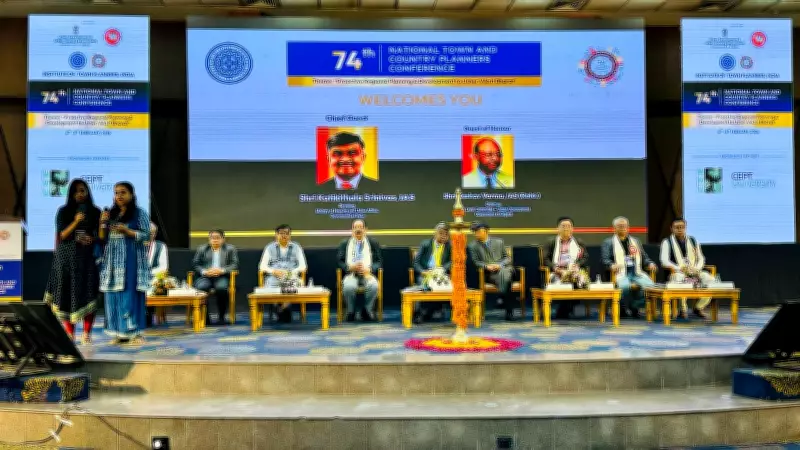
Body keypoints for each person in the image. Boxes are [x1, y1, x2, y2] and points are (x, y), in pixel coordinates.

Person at [43, 179, 101, 344]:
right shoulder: (64, 211)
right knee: (66, 295)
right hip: (66, 260)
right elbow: (62, 235)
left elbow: (100, 235)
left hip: (86, 260)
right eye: (76, 191)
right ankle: (70, 333)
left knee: (88, 294)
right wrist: (76, 221)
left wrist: (92, 238)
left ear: (87, 192)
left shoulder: (95, 211)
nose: (80, 194)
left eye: (83, 190)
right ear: (71, 194)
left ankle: (87, 334)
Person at [99, 182, 151, 344]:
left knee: (129, 295)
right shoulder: (111, 214)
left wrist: (127, 231)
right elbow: (102, 237)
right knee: (113, 296)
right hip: (112, 261)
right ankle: (118, 333)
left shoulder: (139, 213)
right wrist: (102, 222)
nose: (119, 196)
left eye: (123, 192)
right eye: (116, 193)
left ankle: (135, 333)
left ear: (131, 194)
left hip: (131, 260)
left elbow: (146, 235)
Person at [601, 216, 657, 318]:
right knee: (624, 286)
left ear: (628, 227)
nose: (623, 228)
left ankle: (635, 306)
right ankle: (621, 308)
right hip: (619, 272)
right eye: (620, 226)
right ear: (614, 228)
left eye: (625, 226)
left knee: (650, 286)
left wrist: (650, 263)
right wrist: (611, 265)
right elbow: (605, 259)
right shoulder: (608, 242)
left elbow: (644, 257)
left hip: (636, 271)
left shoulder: (636, 241)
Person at [660, 217, 714, 319]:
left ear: (685, 228)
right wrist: (679, 268)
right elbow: (664, 260)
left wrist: (697, 268)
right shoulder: (667, 242)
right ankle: (683, 309)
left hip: (694, 271)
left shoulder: (693, 240)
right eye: (677, 227)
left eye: (682, 227)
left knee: (709, 279)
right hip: (677, 272)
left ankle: (698, 307)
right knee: (681, 278)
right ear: (671, 228)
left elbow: (701, 258)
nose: (680, 229)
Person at [541, 216, 589, 319]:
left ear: (573, 228)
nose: (566, 228)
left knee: (578, 280)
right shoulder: (551, 242)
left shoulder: (579, 242)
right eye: (563, 226)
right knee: (565, 281)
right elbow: (545, 259)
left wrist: (577, 265)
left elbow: (585, 257)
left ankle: (565, 309)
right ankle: (565, 309)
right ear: (557, 228)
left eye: (569, 226)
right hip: (556, 271)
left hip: (573, 270)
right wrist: (556, 269)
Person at [468, 221, 517, 321]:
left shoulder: (499, 242)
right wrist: (487, 266)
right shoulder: (473, 246)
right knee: (507, 278)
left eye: (478, 231)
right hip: (490, 274)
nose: (476, 234)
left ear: (486, 231)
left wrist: (499, 265)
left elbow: (507, 258)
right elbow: (475, 262)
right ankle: (508, 309)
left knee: (506, 272)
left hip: (502, 268)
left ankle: (502, 297)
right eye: (475, 232)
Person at [259, 224, 307, 323]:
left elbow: (303, 266)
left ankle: (282, 309)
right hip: (274, 277)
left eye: (286, 233)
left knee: (294, 285)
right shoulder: (269, 247)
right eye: (281, 233)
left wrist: (290, 272)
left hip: (291, 276)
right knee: (270, 286)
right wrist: (273, 271)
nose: (284, 236)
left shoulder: (296, 247)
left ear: (290, 235)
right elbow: (262, 266)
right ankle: (280, 308)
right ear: (276, 235)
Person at [337, 219, 383, 321]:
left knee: (374, 285)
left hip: (368, 274)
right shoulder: (345, 243)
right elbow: (339, 262)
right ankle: (351, 311)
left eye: (361, 227)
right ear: (352, 230)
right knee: (348, 286)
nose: (358, 230)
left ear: (365, 229)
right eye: (355, 227)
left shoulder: (373, 243)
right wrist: (350, 267)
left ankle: (367, 310)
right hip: (351, 274)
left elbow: (379, 262)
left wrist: (369, 269)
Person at [193, 229, 239, 325]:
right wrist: (205, 271)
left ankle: (221, 317)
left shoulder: (230, 249)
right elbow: (196, 264)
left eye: (217, 238)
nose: (215, 240)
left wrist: (221, 270)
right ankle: (205, 317)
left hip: (222, 276)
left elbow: (234, 264)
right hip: (206, 277)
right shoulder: (202, 249)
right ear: (209, 239)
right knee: (202, 287)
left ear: (223, 239)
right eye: (212, 238)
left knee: (221, 288)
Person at [412, 222, 452, 324]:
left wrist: (442, 269)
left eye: (446, 234)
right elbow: (416, 263)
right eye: (441, 233)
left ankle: (433, 310)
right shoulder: (425, 244)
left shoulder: (449, 246)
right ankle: (419, 313)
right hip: (426, 273)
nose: (443, 236)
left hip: (441, 273)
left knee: (447, 284)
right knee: (424, 285)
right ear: (435, 233)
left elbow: (452, 261)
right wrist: (422, 271)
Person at [145, 222, 168, 327]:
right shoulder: (135, 244)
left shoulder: (161, 246)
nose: (150, 235)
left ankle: (148, 314)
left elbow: (164, 267)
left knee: (153, 285)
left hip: (153, 277)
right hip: (137, 277)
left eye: (152, 233)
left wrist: (148, 273)